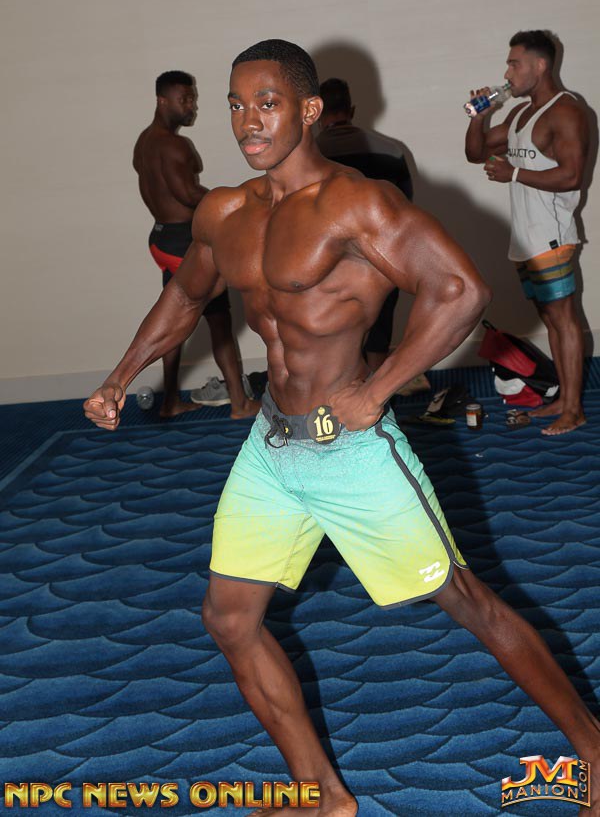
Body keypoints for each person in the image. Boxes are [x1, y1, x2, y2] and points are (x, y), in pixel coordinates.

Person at [86, 40, 599, 816]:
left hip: (350, 447)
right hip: (271, 447)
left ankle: (594, 750)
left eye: (267, 103)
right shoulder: (225, 212)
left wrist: (381, 388)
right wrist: (120, 377)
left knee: (467, 600)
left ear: (308, 110)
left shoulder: (355, 204)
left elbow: (459, 290)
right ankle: (322, 796)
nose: (248, 120)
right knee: (230, 619)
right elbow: (186, 297)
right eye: (236, 104)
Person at [465, 30, 589, 436]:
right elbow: (476, 152)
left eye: (514, 64)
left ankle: (574, 410)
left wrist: (514, 173)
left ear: (540, 65)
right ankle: (564, 401)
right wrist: (479, 117)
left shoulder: (566, 111)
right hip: (525, 239)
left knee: (564, 320)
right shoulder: (520, 114)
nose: (507, 73)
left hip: (552, 236)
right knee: (551, 320)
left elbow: (571, 175)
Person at [133, 70, 258, 419]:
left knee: (174, 316)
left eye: (194, 99)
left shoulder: (145, 141)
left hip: (162, 239)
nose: (193, 106)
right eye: (185, 99)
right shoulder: (174, 146)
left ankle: (170, 402)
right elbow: (187, 194)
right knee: (219, 320)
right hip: (184, 242)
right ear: (162, 101)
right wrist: (236, 204)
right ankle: (240, 403)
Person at [316, 77, 414, 372]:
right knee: (380, 328)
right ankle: (380, 390)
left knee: (341, 334)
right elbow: (405, 208)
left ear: (316, 114)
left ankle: (347, 391)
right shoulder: (391, 150)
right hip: (383, 256)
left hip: (332, 260)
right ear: (352, 110)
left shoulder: (311, 156)